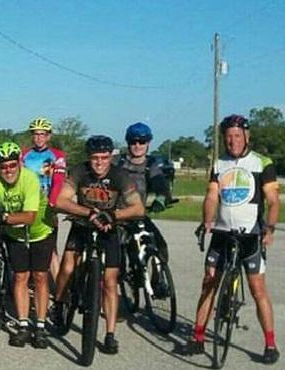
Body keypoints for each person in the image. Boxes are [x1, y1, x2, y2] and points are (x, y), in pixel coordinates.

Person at [181, 114, 280, 364]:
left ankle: (270, 344)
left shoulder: (261, 163)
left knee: (258, 289)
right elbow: (212, 196)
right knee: (209, 282)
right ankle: (198, 337)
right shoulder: (219, 164)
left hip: (250, 235)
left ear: (246, 136)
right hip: (222, 234)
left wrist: (270, 227)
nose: (232, 141)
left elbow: (273, 200)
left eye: (237, 136)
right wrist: (207, 220)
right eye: (228, 136)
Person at [51, 135, 145, 355]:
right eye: (95, 158)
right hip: (83, 225)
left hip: (109, 228)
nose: (99, 163)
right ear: (88, 158)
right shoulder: (78, 172)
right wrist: (90, 213)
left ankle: (110, 333)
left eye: (104, 157)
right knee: (66, 268)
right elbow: (61, 200)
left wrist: (114, 215)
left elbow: (138, 208)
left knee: (110, 282)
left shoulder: (120, 175)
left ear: (110, 157)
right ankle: (59, 301)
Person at [0, 142, 54, 349]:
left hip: (40, 232)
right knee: (20, 276)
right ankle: (23, 324)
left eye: (12, 165)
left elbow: (29, 217)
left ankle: (41, 325)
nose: (8, 170)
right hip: (15, 236)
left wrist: (0, 216)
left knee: (40, 277)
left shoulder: (30, 179)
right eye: (3, 167)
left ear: (19, 163)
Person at [116, 122, 174, 264]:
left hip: (138, 216)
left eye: (142, 142)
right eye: (133, 141)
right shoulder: (117, 162)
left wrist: (161, 197)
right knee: (118, 256)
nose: (137, 145)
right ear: (128, 142)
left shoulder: (151, 165)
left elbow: (160, 182)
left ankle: (157, 282)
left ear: (148, 143)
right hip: (116, 215)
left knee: (160, 246)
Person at [21, 117, 67, 278]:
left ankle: (61, 293)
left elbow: (58, 182)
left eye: (42, 134)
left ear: (48, 136)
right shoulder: (24, 155)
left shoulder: (57, 156)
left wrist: (52, 202)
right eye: (35, 134)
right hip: (26, 205)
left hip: (47, 205)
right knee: (25, 247)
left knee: (51, 251)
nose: (39, 138)